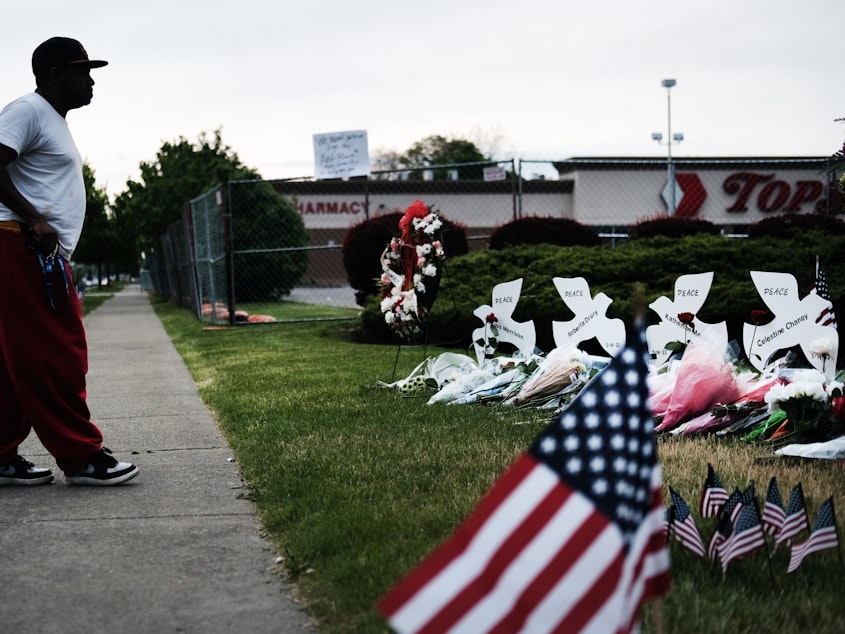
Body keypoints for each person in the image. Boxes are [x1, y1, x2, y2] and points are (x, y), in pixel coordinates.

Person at [0, 37, 138, 486]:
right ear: (56, 75)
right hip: (19, 245)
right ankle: (81, 456)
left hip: (29, 248)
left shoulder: (52, 120)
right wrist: (35, 217)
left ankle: (0, 455)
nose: (91, 80)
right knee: (57, 354)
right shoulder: (27, 111)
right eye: (83, 71)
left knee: (14, 360)